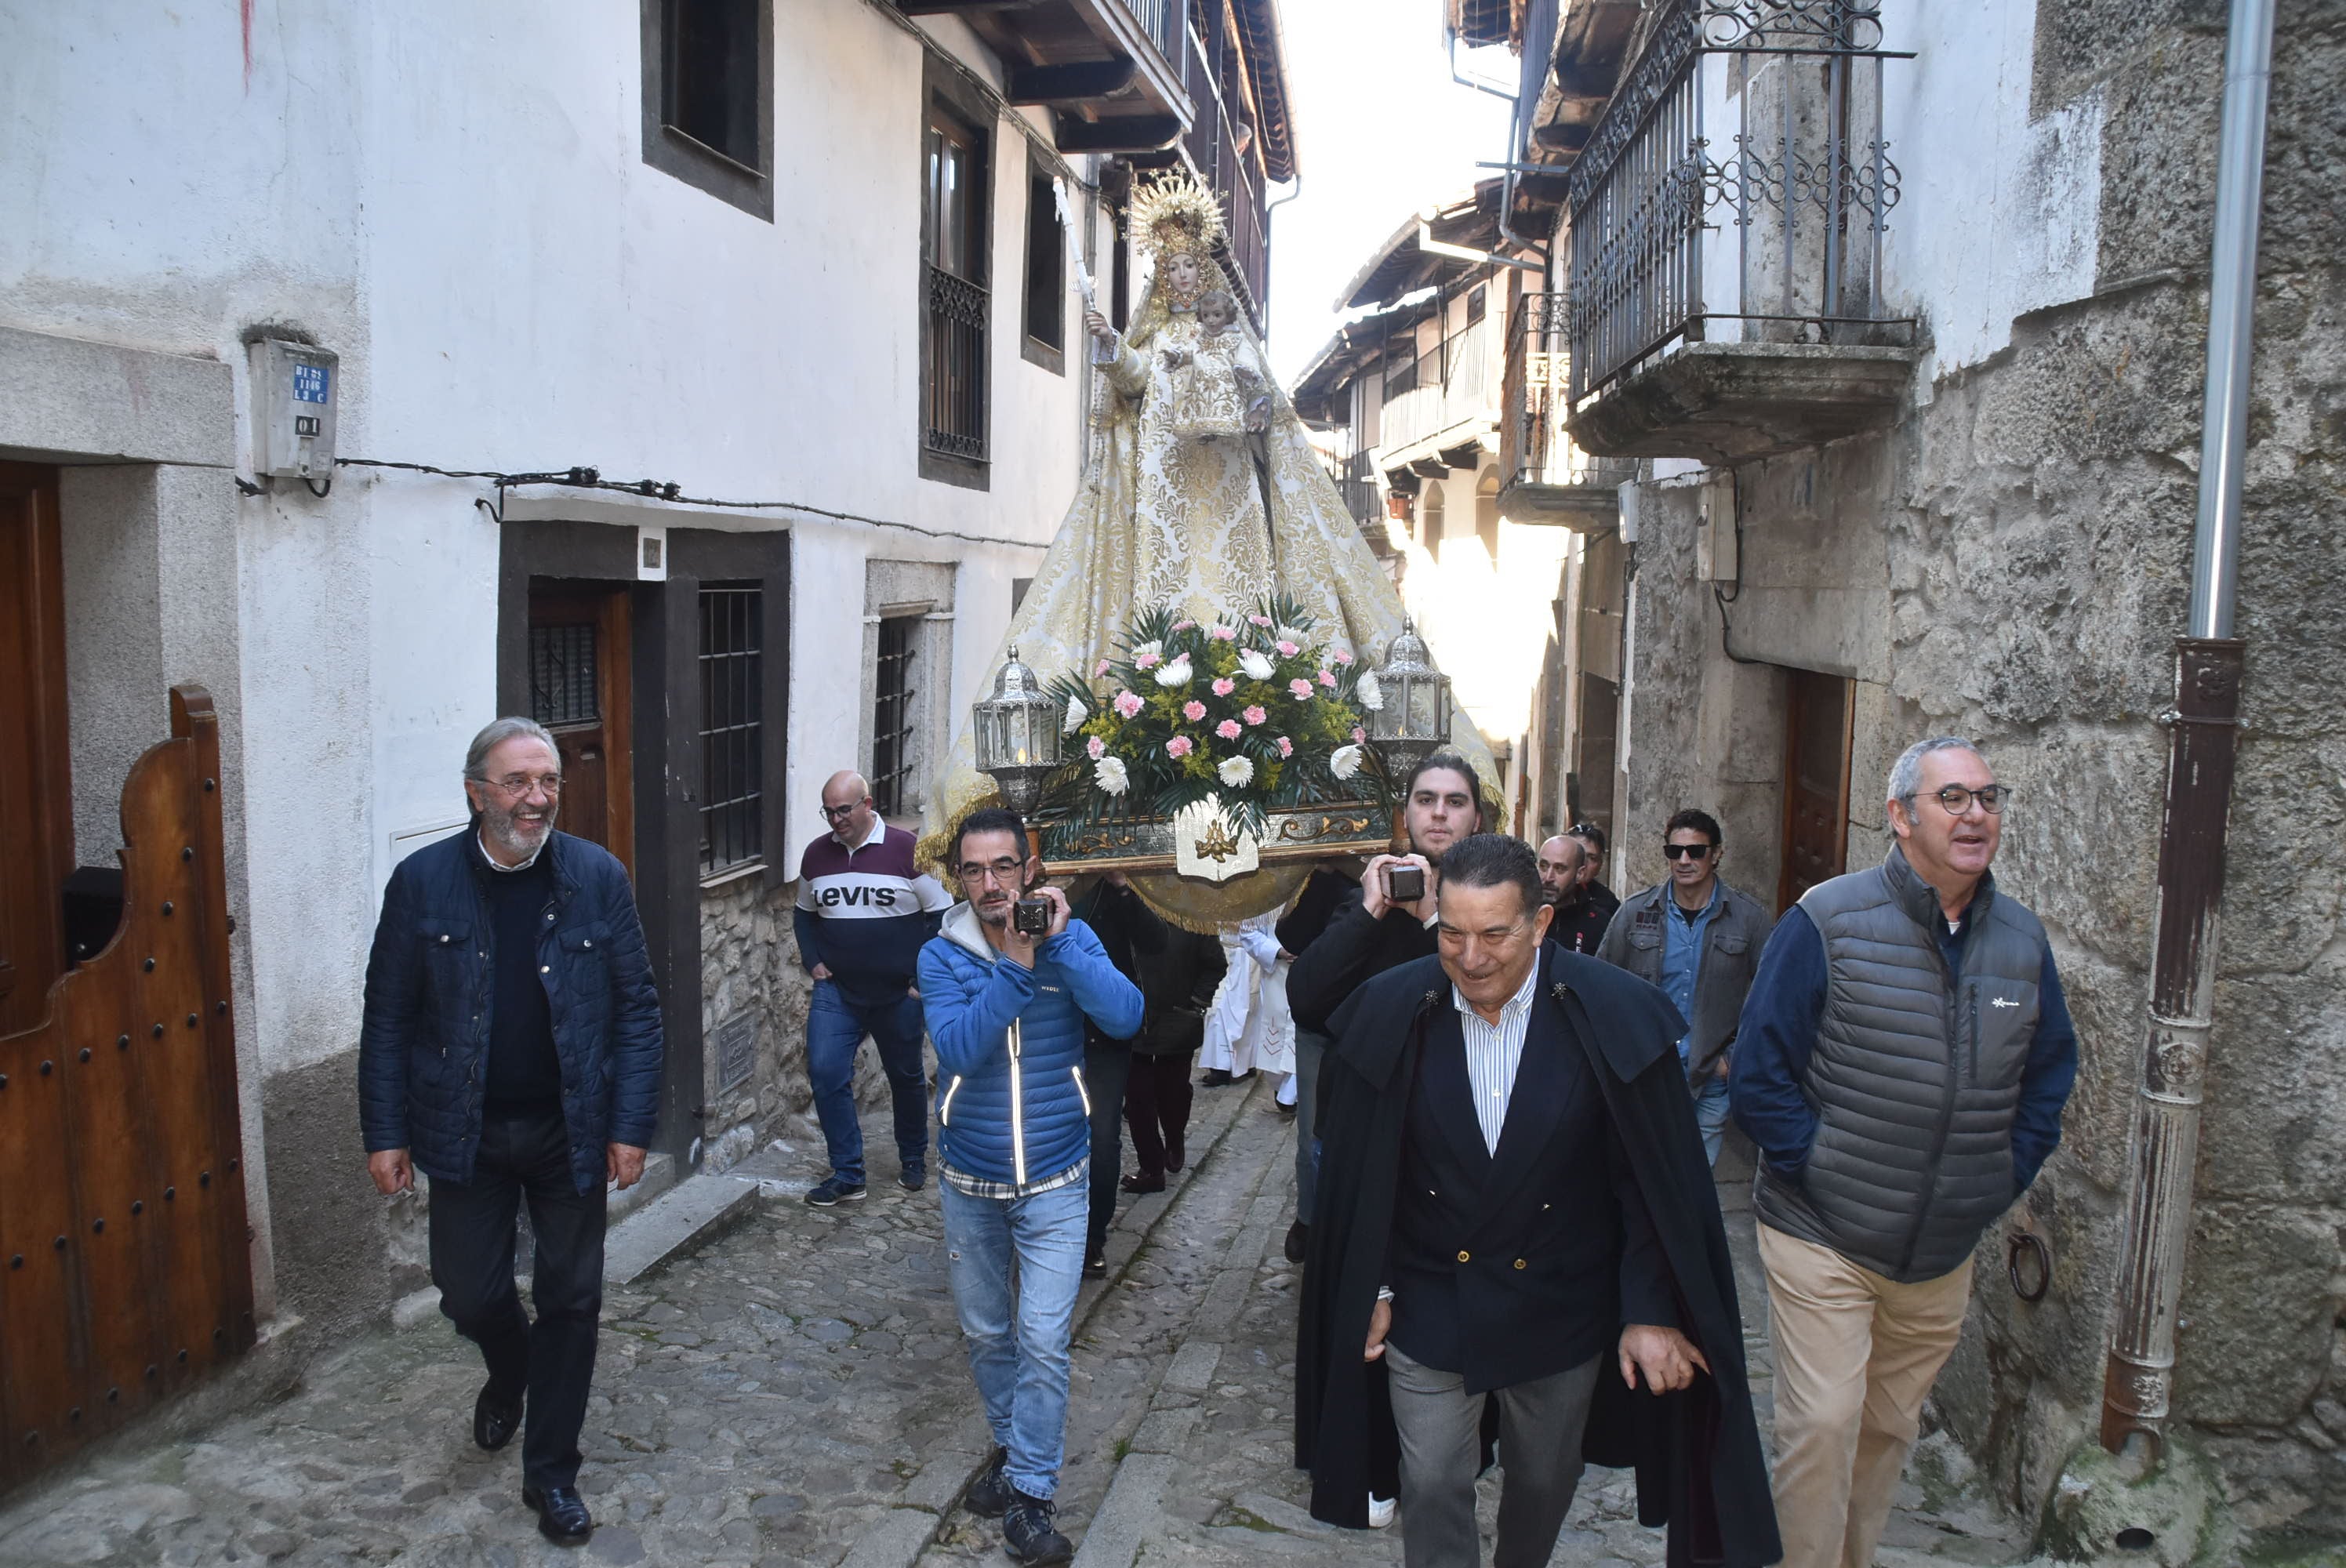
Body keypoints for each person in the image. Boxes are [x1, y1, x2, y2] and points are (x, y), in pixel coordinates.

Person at [920, 171, 1506, 866]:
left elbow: (1266, 406)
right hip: (1162, 501)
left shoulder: (1230, 338)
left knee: (1244, 596)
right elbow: (1132, 379)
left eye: (1191, 267)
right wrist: (1109, 345)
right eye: (1170, 268)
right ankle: (1158, 681)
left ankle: (1254, 669)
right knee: (1157, 597)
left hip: (1230, 499)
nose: (1182, 278)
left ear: (1207, 273)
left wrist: (1247, 401)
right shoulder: (1157, 339)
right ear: (1161, 278)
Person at [1295, 835, 1778, 1568]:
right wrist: (1375, 1285)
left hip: (1560, 1304)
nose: (1471, 958)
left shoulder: (1612, 1012)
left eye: (1495, 935)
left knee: (1545, 1479)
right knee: (1430, 1480)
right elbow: (1361, 1176)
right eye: (1452, 933)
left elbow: (1650, 1186)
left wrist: (1650, 1309)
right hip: (1429, 1296)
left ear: (1542, 923)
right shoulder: (1391, 1010)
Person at [1730, 737, 2079, 1568]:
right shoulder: (1827, 919)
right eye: (1952, 797)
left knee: (1887, 1430)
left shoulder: (2022, 942)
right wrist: (1816, 1163)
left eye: (1987, 798)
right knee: (1823, 1425)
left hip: (1939, 1253)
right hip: (1822, 1232)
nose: (1975, 814)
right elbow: (1758, 1071)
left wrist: (1998, 1178)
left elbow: (2048, 1076)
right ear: (1899, 815)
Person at [358, 717, 663, 1548]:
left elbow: (637, 1010)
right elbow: (388, 1017)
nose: (537, 798)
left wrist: (631, 1123)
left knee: (571, 1297)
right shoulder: (422, 883)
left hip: (572, 1126)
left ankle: (551, 1472)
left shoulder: (596, 876)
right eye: (518, 782)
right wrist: (385, 1131)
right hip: (465, 1129)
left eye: (548, 781)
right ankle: (510, 1370)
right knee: (467, 1292)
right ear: (476, 792)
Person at [919, 808, 1146, 1566]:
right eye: (974, 870)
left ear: (1030, 867)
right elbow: (958, 1049)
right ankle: (1016, 1453)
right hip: (970, 1179)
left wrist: (1060, 945)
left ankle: (1030, 1494)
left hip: (1055, 1176)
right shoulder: (940, 956)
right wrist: (1014, 968)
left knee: (1043, 1340)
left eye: (1004, 866)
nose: (991, 884)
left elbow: (1126, 1015)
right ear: (959, 878)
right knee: (989, 1333)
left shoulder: (1070, 939)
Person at [794, 770, 952, 1206]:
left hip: (899, 993)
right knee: (826, 1073)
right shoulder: (816, 855)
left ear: (867, 804)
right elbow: (804, 914)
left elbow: (942, 915)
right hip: (838, 991)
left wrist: (921, 979)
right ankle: (847, 1174)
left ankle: (913, 1157)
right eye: (829, 812)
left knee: (905, 1075)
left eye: (844, 810)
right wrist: (812, 960)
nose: (836, 819)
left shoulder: (907, 850)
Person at [1596, 810, 1768, 1167]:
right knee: (1644, 1173)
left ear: (1716, 854)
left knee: (1694, 1178)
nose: (1684, 861)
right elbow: (1601, 986)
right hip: (1646, 1073)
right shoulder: (1635, 912)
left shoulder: (1749, 919)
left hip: (1710, 1077)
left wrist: (1732, 1060)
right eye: (1675, 852)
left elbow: (1770, 998)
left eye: (1696, 851)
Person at [1069, 871, 1169, 1277]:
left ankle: (1091, 1236)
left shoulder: (1114, 887)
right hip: (1048, 1020)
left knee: (1101, 1136)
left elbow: (1156, 941)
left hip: (1102, 1031)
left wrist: (1123, 887)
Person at [1270, 860, 1364, 1265]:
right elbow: (1291, 935)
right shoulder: (1322, 879)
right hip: (1321, 1024)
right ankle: (1309, 1217)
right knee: (1311, 1134)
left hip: (1375, 1019)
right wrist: (1320, 877)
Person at [1120, 921, 1226, 1194]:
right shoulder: (1127, 910)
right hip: (1134, 1017)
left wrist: (1197, 1003)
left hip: (1178, 1018)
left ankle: (1174, 1135)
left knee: (1173, 1092)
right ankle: (1151, 1169)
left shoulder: (1191, 914)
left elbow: (1215, 964)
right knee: (1138, 1099)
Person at [1200, 912, 1292, 1092]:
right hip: (1224, 950)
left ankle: (1245, 1063)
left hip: (1246, 957)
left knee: (1246, 1012)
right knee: (1218, 1010)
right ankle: (1221, 1066)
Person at [1164, 287, 1270, 443]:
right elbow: (1189, 352)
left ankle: (1225, 425)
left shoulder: (1236, 338)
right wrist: (1177, 356)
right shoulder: (1199, 339)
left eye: (1217, 314)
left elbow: (1247, 354)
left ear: (1228, 315)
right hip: (1202, 389)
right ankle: (1205, 431)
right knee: (1201, 406)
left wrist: (1245, 368)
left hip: (1226, 388)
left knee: (1224, 405)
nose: (1211, 320)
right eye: (1206, 315)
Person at [1535, 834, 1612, 955]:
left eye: (1560, 869)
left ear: (1580, 874)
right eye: (1543, 866)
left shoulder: (1599, 924)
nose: (1548, 877)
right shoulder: (1520, 912)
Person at [1567, 820, 1621, 929]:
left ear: (1600, 865)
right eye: (1578, 854)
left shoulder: (1608, 904)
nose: (1583, 863)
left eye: (1592, 858)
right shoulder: (1545, 891)